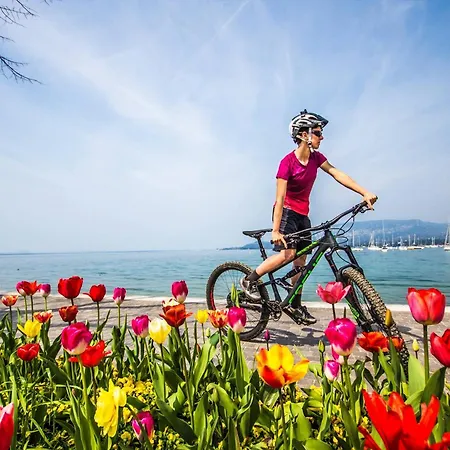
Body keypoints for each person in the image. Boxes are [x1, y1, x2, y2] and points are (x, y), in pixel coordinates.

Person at [240, 110, 378, 325]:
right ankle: (249, 280)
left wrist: (364, 192)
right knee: (288, 254)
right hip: (286, 212)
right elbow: (280, 197)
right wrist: (275, 230)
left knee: (301, 260)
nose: (322, 137)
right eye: (318, 133)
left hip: (303, 215)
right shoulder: (287, 162)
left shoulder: (316, 158)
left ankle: (294, 304)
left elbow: (337, 173)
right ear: (304, 135)